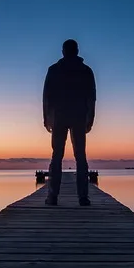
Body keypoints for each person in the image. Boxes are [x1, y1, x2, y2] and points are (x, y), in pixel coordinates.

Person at [42, 39, 96, 205]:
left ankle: (53, 197)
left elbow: (46, 97)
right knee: (80, 156)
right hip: (78, 116)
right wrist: (90, 118)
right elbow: (91, 98)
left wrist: (46, 117)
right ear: (77, 51)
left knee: (57, 156)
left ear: (63, 51)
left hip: (59, 116)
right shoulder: (85, 70)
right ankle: (83, 197)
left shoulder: (54, 70)